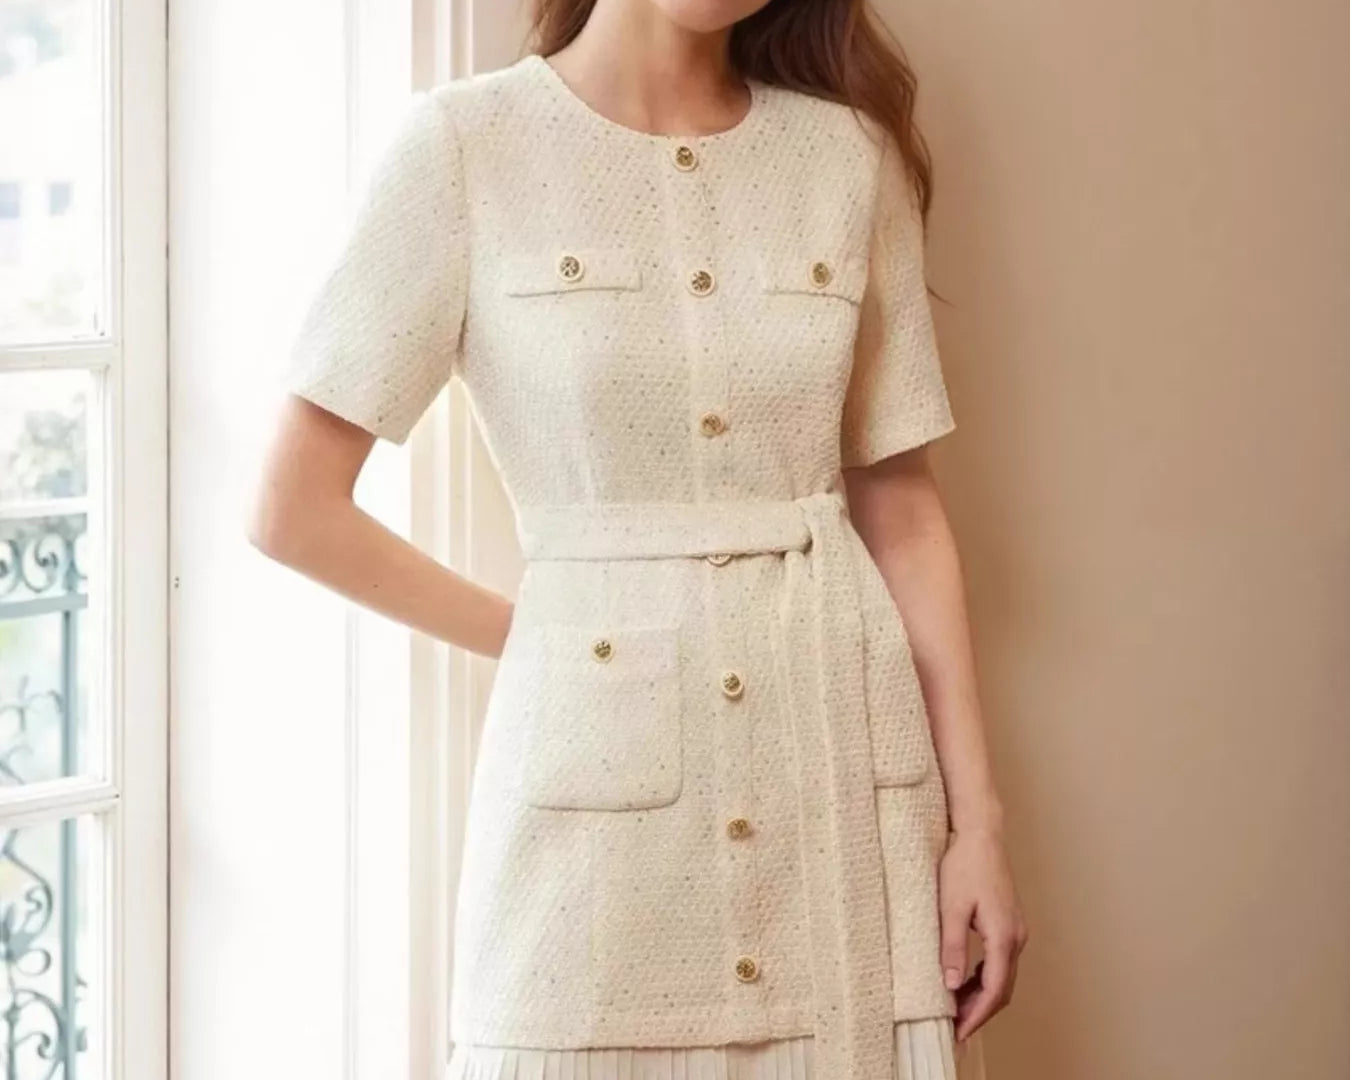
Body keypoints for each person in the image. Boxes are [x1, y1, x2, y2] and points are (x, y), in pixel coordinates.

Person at [248, 1, 1028, 1077]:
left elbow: (899, 502)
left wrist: (976, 823)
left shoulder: (849, 158)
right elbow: (293, 508)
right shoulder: (465, 148)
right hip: (594, 831)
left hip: (845, 792)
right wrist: (546, 640)